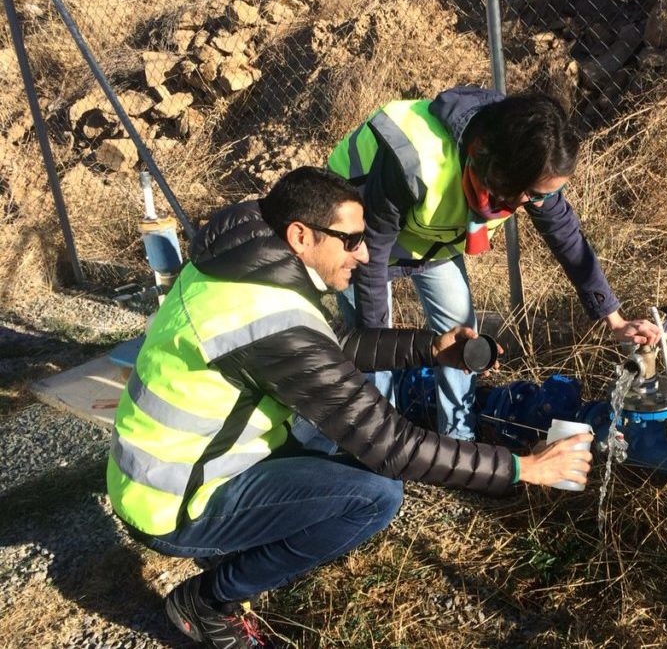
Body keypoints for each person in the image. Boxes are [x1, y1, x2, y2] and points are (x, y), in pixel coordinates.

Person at [106, 167, 594, 648]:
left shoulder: (240, 264)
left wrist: (429, 347)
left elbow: (330, 341)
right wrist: (521, 468)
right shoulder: (268, 321)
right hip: (176, 503)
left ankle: (234, 546)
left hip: (161, 472)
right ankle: (209, 599)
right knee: (375, 495)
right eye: (351, 239)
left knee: (334, 447)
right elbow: (392, 445)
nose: (364, 254)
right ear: (300, 235)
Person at [327, 86, 662, 442]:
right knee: (376, 348)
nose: (538, 203)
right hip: (352, 237)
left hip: (426, 240)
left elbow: (568, 239)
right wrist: (382, 344)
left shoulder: (526, 162)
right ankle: (378, 444)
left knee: (462, 334)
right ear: (505, 172)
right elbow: (372, 258)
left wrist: (614, 320)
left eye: (546, 195)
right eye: (535, 194)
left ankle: (458, 441)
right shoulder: (415, 161)